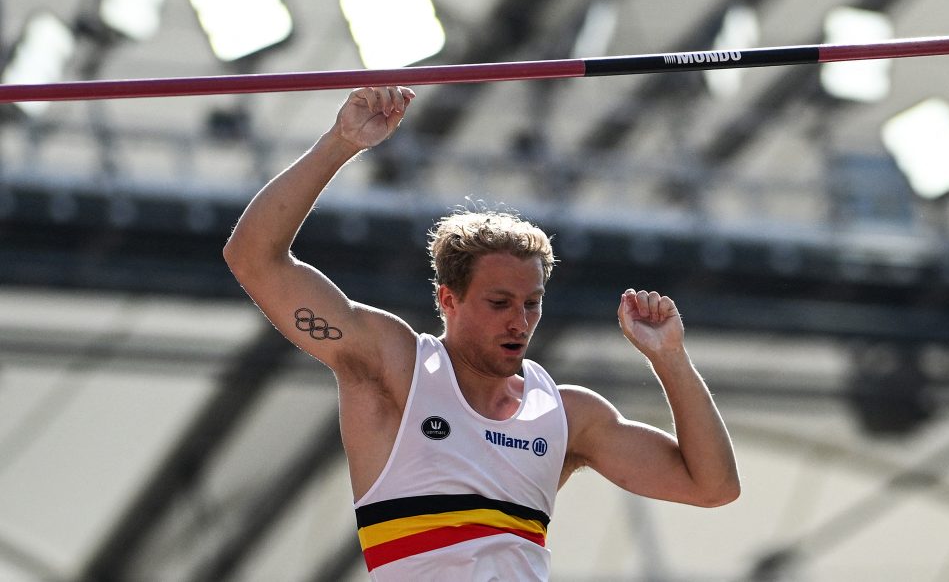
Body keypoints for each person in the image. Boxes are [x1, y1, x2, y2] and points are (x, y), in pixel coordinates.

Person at [223, 86, 739, 581]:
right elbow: (252, 258)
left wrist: (670, 358)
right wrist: (340, 145)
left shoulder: (566, 414)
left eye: (531, 304)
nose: (519, 321)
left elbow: (713, 486)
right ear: (448, 299)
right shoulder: (394, 368)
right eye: (498, 303)